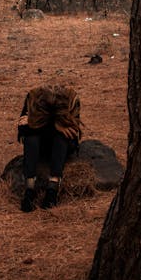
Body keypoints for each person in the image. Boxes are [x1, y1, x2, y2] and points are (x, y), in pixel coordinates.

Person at [17, 83, 81, 212]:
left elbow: (72, 133)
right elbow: (23, 130)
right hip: (40, 145)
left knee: (61, 137)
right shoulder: (33, 97)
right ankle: (30, 189)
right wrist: (55, 125)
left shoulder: (71, 99)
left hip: (62, 146)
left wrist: (38, 124)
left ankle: (53, 187)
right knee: (32, 137)